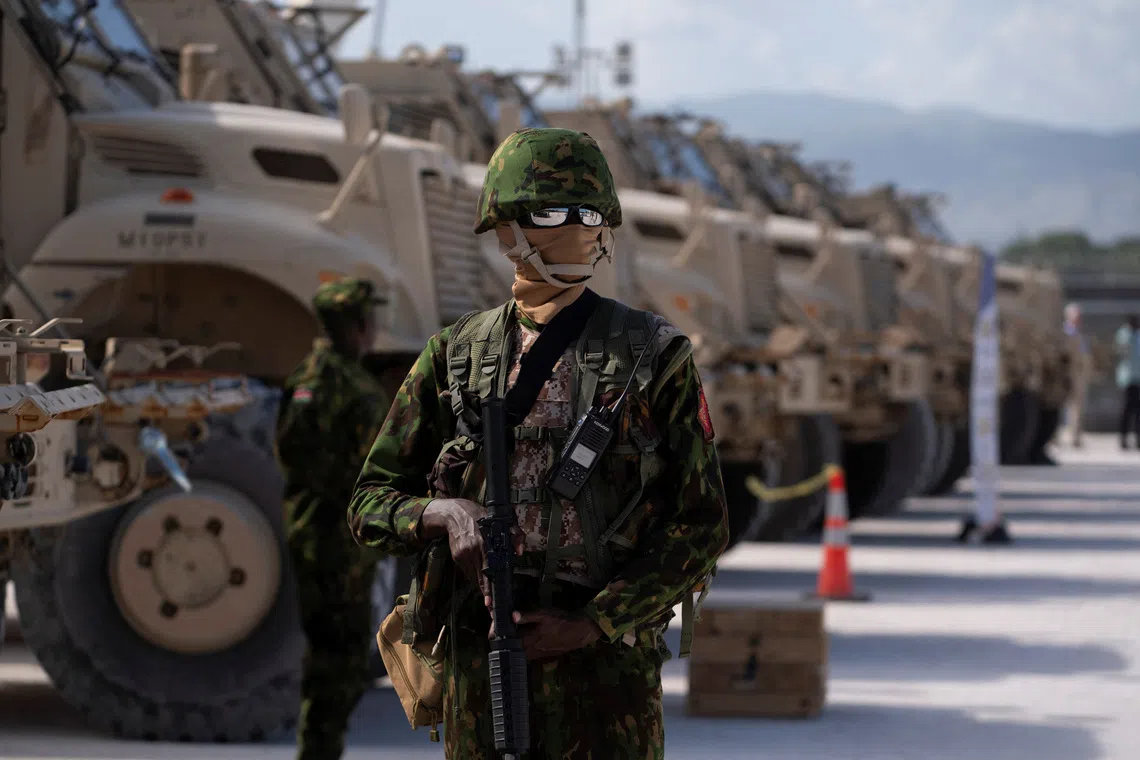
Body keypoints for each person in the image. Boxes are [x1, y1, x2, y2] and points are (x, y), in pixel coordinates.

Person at [348, 127, 729, 759]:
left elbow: (702, 525)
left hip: (609, 680)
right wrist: (444, 513)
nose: (577, 230)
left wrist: (592, 625)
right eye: (554, 213)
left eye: (589, 214)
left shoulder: (653, 355)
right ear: (508, 229)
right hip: (484, 661)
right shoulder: (456, 356)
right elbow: (369, 502)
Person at [276, 277, 391, 760]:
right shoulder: (346, 385)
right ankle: (318, 750)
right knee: (338, 659)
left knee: (333, 654)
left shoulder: (308, 375)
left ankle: (320, 747)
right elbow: (366, 467)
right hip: (337, 540)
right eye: (368, 319)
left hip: (320, 532)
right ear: (357, 325)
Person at [1063, 303, 1091, 448]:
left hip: (1078, 374)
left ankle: (1076, 438)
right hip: (1065, 373)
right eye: (1076, 315)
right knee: (1057, 404)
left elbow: (1085, 354)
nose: (1079, 318)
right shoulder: (1064, 332)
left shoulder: (1081, 333)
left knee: (1078, 407)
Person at [1116, 315, 1140, 449]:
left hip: (1138, 378)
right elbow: (1122, 351)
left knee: (1138, 411)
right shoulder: (1124, 335)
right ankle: (1123, 439)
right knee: (1126, 410)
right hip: (1127, 378)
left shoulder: (1139, 336)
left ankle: (1138, 439)